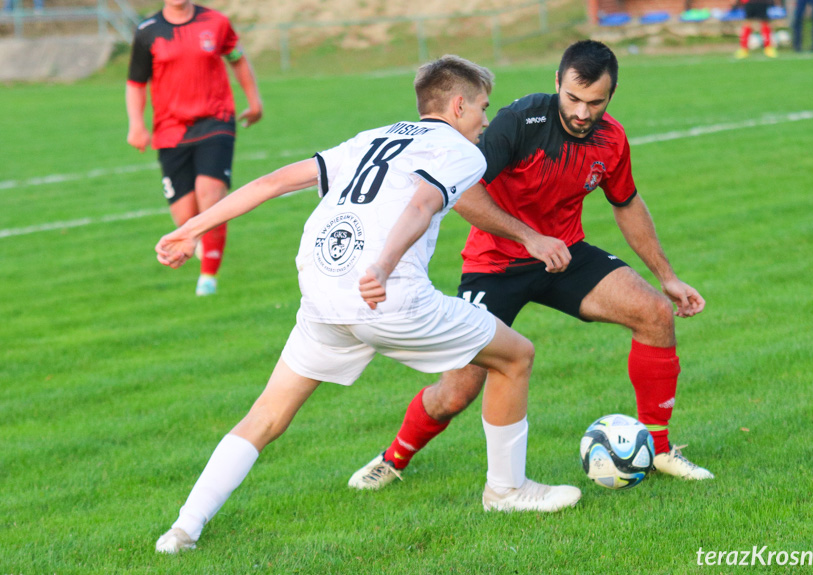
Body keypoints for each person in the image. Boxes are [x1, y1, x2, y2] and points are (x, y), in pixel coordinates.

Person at [152, 55, 582, 554]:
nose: (486, 121)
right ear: (459, 104)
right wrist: (382, 266)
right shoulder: (463, 151)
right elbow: (423, 204)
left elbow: (272, 183)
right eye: (482, 108)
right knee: (515, 356)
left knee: (266, 415)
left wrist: (189, 230)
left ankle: (183, 529)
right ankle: (506, 491)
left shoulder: (371, 137)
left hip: (321, 291)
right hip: (388, 296)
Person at [349, 40, 714, 492]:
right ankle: (395, 457)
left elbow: (626, 203)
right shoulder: (522, 121)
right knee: (458, 390)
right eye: (574, 99)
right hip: (495, 263)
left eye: (595, 102)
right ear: (557, 83)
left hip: (563, 255)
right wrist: (529, 237)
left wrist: (668, 277)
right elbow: (462, 191)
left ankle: (658, 448)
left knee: (655, 313)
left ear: (611, 96)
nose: (582, 113)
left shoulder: (611, 139)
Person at [126, 0, 263, 296]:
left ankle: (208, 279)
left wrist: (254, 101)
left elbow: (237, 58)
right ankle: (203, 245)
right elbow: (136, 83)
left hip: (216, 121)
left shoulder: (216, 22)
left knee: (210, 196)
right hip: (171, 132)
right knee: (185, 217)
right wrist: (136, 124)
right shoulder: (147, 32)